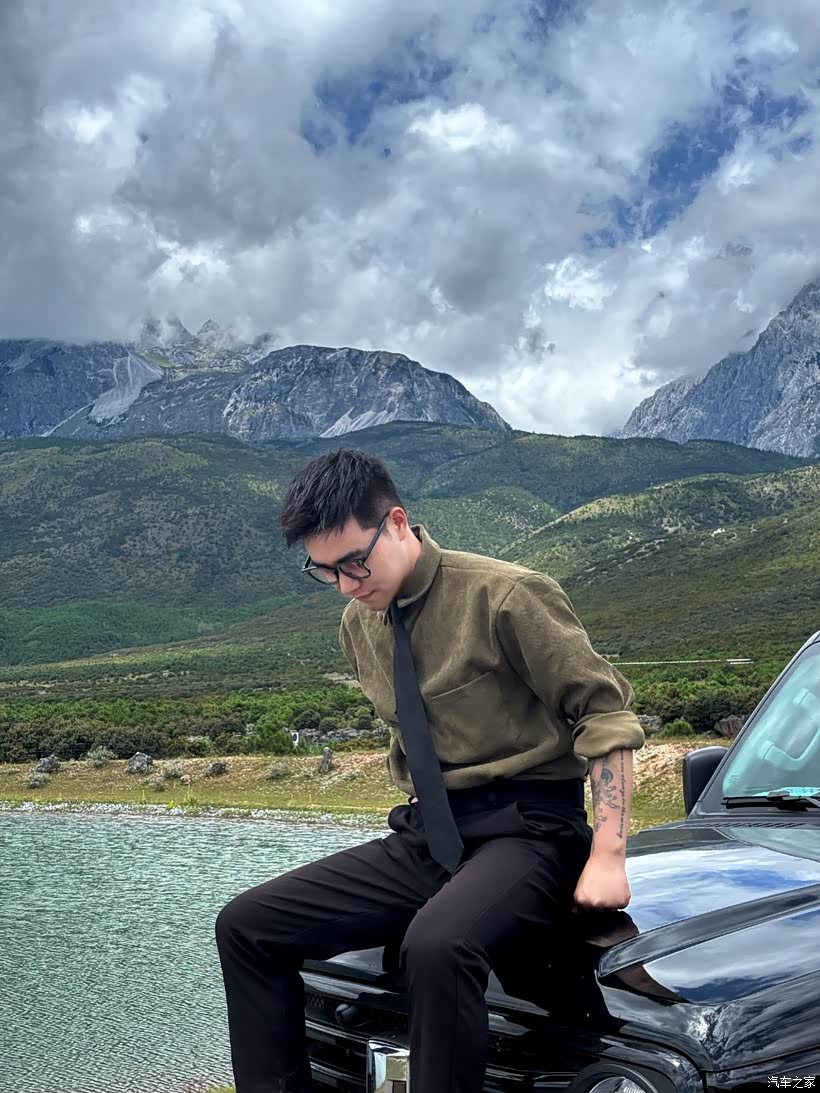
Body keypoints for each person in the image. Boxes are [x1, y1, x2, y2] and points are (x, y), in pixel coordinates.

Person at [215, 447, 645, 1093]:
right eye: (325, 571)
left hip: (530, 830)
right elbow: (412, 731)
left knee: (440, 945)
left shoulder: (506, 594)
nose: (346, 584)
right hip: (430, 836)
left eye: (354, 562)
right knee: (247, 926)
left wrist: (608, 855)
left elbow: (605, 717)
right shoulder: (359, 625)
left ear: (396, 522)